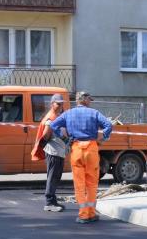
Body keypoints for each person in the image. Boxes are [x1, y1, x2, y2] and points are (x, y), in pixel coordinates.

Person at [51, 91, 113, 224]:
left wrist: (64, 139)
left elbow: (53, 125)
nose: (90, 102)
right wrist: (103, 138)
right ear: (84, 100)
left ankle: (83, 214)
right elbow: (108, 125)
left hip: (76, 148)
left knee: (79, 183)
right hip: (91, 149)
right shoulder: (94, 113)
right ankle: (90, 213)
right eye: (89, 99)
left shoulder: (68, 113)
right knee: (91, 182)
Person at [31, 94, 67, 212]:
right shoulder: (51, 117)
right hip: (53, 152)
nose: (61, 105)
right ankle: (49, 202)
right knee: (52, 177)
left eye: (62, 103)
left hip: (58, 151)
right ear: (52, 104)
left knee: (56, 176)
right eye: (58, 103)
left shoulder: (57, 115)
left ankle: (53, 200)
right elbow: (46, 135)